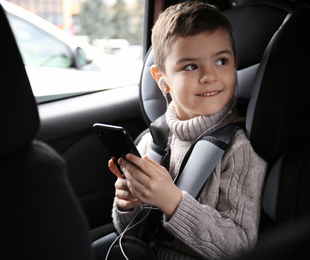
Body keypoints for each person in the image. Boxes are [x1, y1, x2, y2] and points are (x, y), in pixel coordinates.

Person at [109, 2, 267, 259]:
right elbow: (130, 231)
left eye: (221, 61)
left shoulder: (239, 150)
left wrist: (173, 202)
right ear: (163, 80)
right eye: (191, 66)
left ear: (235, 65)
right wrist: (128, 206)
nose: (209, 76)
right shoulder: (151, 142)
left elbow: (240, 246)